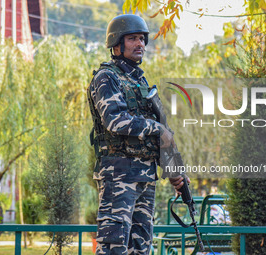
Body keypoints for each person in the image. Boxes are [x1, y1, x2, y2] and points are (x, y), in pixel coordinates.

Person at [87, 14, 187, 255]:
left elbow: (160, 133)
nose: (140, 44)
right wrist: (158, 129)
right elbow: (115, 121)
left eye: (142, 39)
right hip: (118, 176)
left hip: (145, 177)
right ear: (117, 44)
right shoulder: (106, 78)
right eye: (132, 39)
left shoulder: (140, 82)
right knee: (114, 247)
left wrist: (174, 169)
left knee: (141, 248)